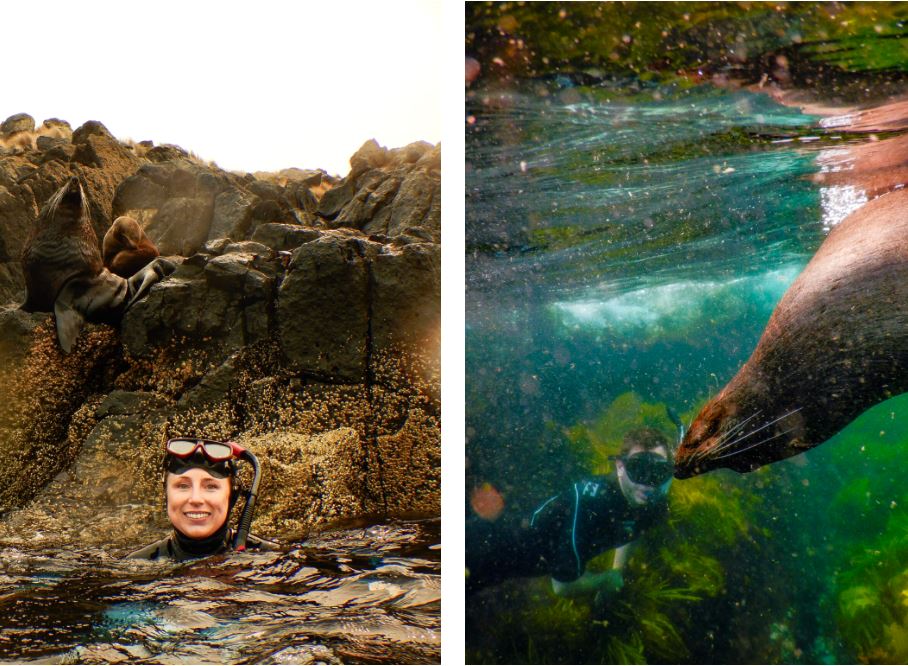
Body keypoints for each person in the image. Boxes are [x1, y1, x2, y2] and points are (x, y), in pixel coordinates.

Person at [466, 427, 673, 597]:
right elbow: (563, 586)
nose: (648, 483)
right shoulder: (592, 506)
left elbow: (633, 527)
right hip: (483, 553)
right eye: (638, 469)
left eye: (658, 472)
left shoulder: (652, 501)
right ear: (619, 466)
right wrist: (606, 580)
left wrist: (617, 570)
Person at [127, 437, 280, 561]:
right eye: (182, 486)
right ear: (166, 495)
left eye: (211, 487)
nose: (196, 499)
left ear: (232, 496)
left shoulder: (271, 558)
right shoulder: (136, 565)